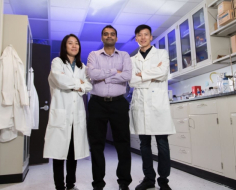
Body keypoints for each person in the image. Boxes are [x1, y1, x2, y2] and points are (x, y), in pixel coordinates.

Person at [129, 24, 176, 190]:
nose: (143, 37)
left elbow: (163, 73)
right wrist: (150, 75)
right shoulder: (131, 60)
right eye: (139, 35)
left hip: (158, 105)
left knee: (162, 144)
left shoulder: (161, 53)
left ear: (150, 37)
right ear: (136, 38)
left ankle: (163, 181)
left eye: (146, 34)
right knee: (144, 144)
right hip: (140, 105)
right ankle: (149, 178)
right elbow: (131, 81)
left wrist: (142, 75)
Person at [43, 34, 92, 190]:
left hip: (76, 115)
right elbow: (59, 80)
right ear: (65, 47)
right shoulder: (57, 62)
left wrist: (76, 85)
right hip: (61, 113)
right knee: (59, 153)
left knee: (73, 152)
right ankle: (60, 186)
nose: (74, 46)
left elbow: (89, 86)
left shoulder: (82, 67)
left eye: (76, 43)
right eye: (70, 43)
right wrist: (79, 84)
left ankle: (71, 185)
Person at [87, 25, 132, 190]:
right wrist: (115, 72)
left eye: (112, 34)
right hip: (97, 103)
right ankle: (98, 183)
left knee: (123, 143)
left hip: (119, 103)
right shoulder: (93, 55)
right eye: (106, 34)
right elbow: (92, 74)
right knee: (97, 144)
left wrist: (104, 76)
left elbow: (127, 76)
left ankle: (124, 182)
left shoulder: (125, 55)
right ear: (102, 38)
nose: (109, 36)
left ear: (116, 38)